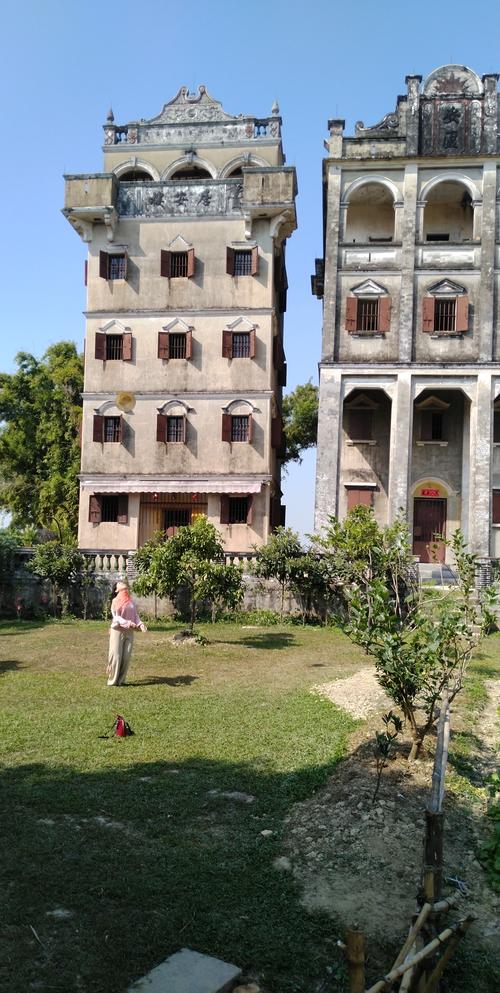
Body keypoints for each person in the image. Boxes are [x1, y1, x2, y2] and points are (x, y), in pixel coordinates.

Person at [107, 579, 147, 686]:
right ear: (116, 590)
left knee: (126, 656)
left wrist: (140, 624)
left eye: (122, 582)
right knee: (116, 656)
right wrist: (128, 623)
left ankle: (121, 681)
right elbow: (116, 617)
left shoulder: (130, 601)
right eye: (119, 583)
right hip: (117, 631)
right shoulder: (115, 601)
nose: (122, 582)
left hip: (129, 632)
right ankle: (113, 681)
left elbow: (135, 616)